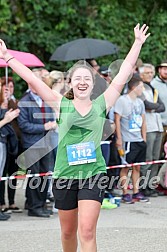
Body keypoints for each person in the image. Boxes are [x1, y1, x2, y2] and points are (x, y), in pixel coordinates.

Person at [0, 23, 150, 251]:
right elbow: (32, 79)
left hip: (93, 174)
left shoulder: (103, 103)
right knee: (68, 232)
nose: (82, 82)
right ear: (70, 83)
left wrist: (137, 43)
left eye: (87, 79)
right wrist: (7, 57)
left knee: (87, 231)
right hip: (65, 175)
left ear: (92, 85)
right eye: (77, 78)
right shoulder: (60, 104)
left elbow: (124, 72)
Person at [114, 73, 149, 204]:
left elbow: (143, 121)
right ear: (134, 87)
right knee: (125, 167)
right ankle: (125, 193)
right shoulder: (122, 101)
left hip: (138, 139)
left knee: (137, 167)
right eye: (141, 86)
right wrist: (119, 138)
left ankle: (136, 191)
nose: (142, 89)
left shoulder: (140, 102)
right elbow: (117, 120)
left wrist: (144, 138)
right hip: (127, 140)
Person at [139, 64, 165, 197]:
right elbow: (146, 105)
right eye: (147, 72)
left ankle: (151, 185)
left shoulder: (153, 88)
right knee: (147, 158)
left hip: (157, 125)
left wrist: (153, 107)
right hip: (148, 126)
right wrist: (154, 107)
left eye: (151, 72)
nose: (150, 75)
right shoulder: (140, 87)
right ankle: (143, 185)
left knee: (155, 158)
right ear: (141, 74)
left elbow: (162, 107)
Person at [0, 77, 23, 213]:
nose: (9, 89)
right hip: (3, 142)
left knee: (13, 172)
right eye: (6, 87)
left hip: (15, 143)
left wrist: (9, 101)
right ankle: (2, 202)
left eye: (11, 87)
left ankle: (12, 201)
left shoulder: (15, 102)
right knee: (2, 173)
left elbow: (19, 117)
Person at [151, 61, 167, 158]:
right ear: (159, 70)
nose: (166, 71)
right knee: (157, 153)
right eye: (164, 69)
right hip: (160, 124)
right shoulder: (153, 84)